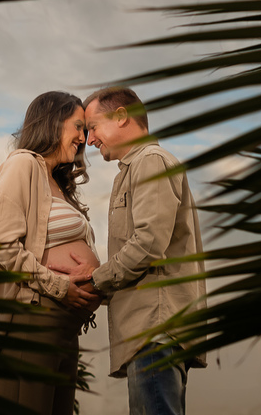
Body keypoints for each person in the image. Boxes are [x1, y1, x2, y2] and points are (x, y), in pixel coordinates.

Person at [80, 86, 206, 415]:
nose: (90, 140)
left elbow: (149, 244)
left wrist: (94, 282)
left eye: (92, 127)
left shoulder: (150, 162)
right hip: (153, 329)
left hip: (154, 328)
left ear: (121, 117)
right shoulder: (137, 167)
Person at [0, 91, 103, 415]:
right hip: (33, 322)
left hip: (65, 326)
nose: (83, 137)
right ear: (52, 121)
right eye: (78, 127)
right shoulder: (23, 164)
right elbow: (2, 243)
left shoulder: (58, 184)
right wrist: (60, 286)